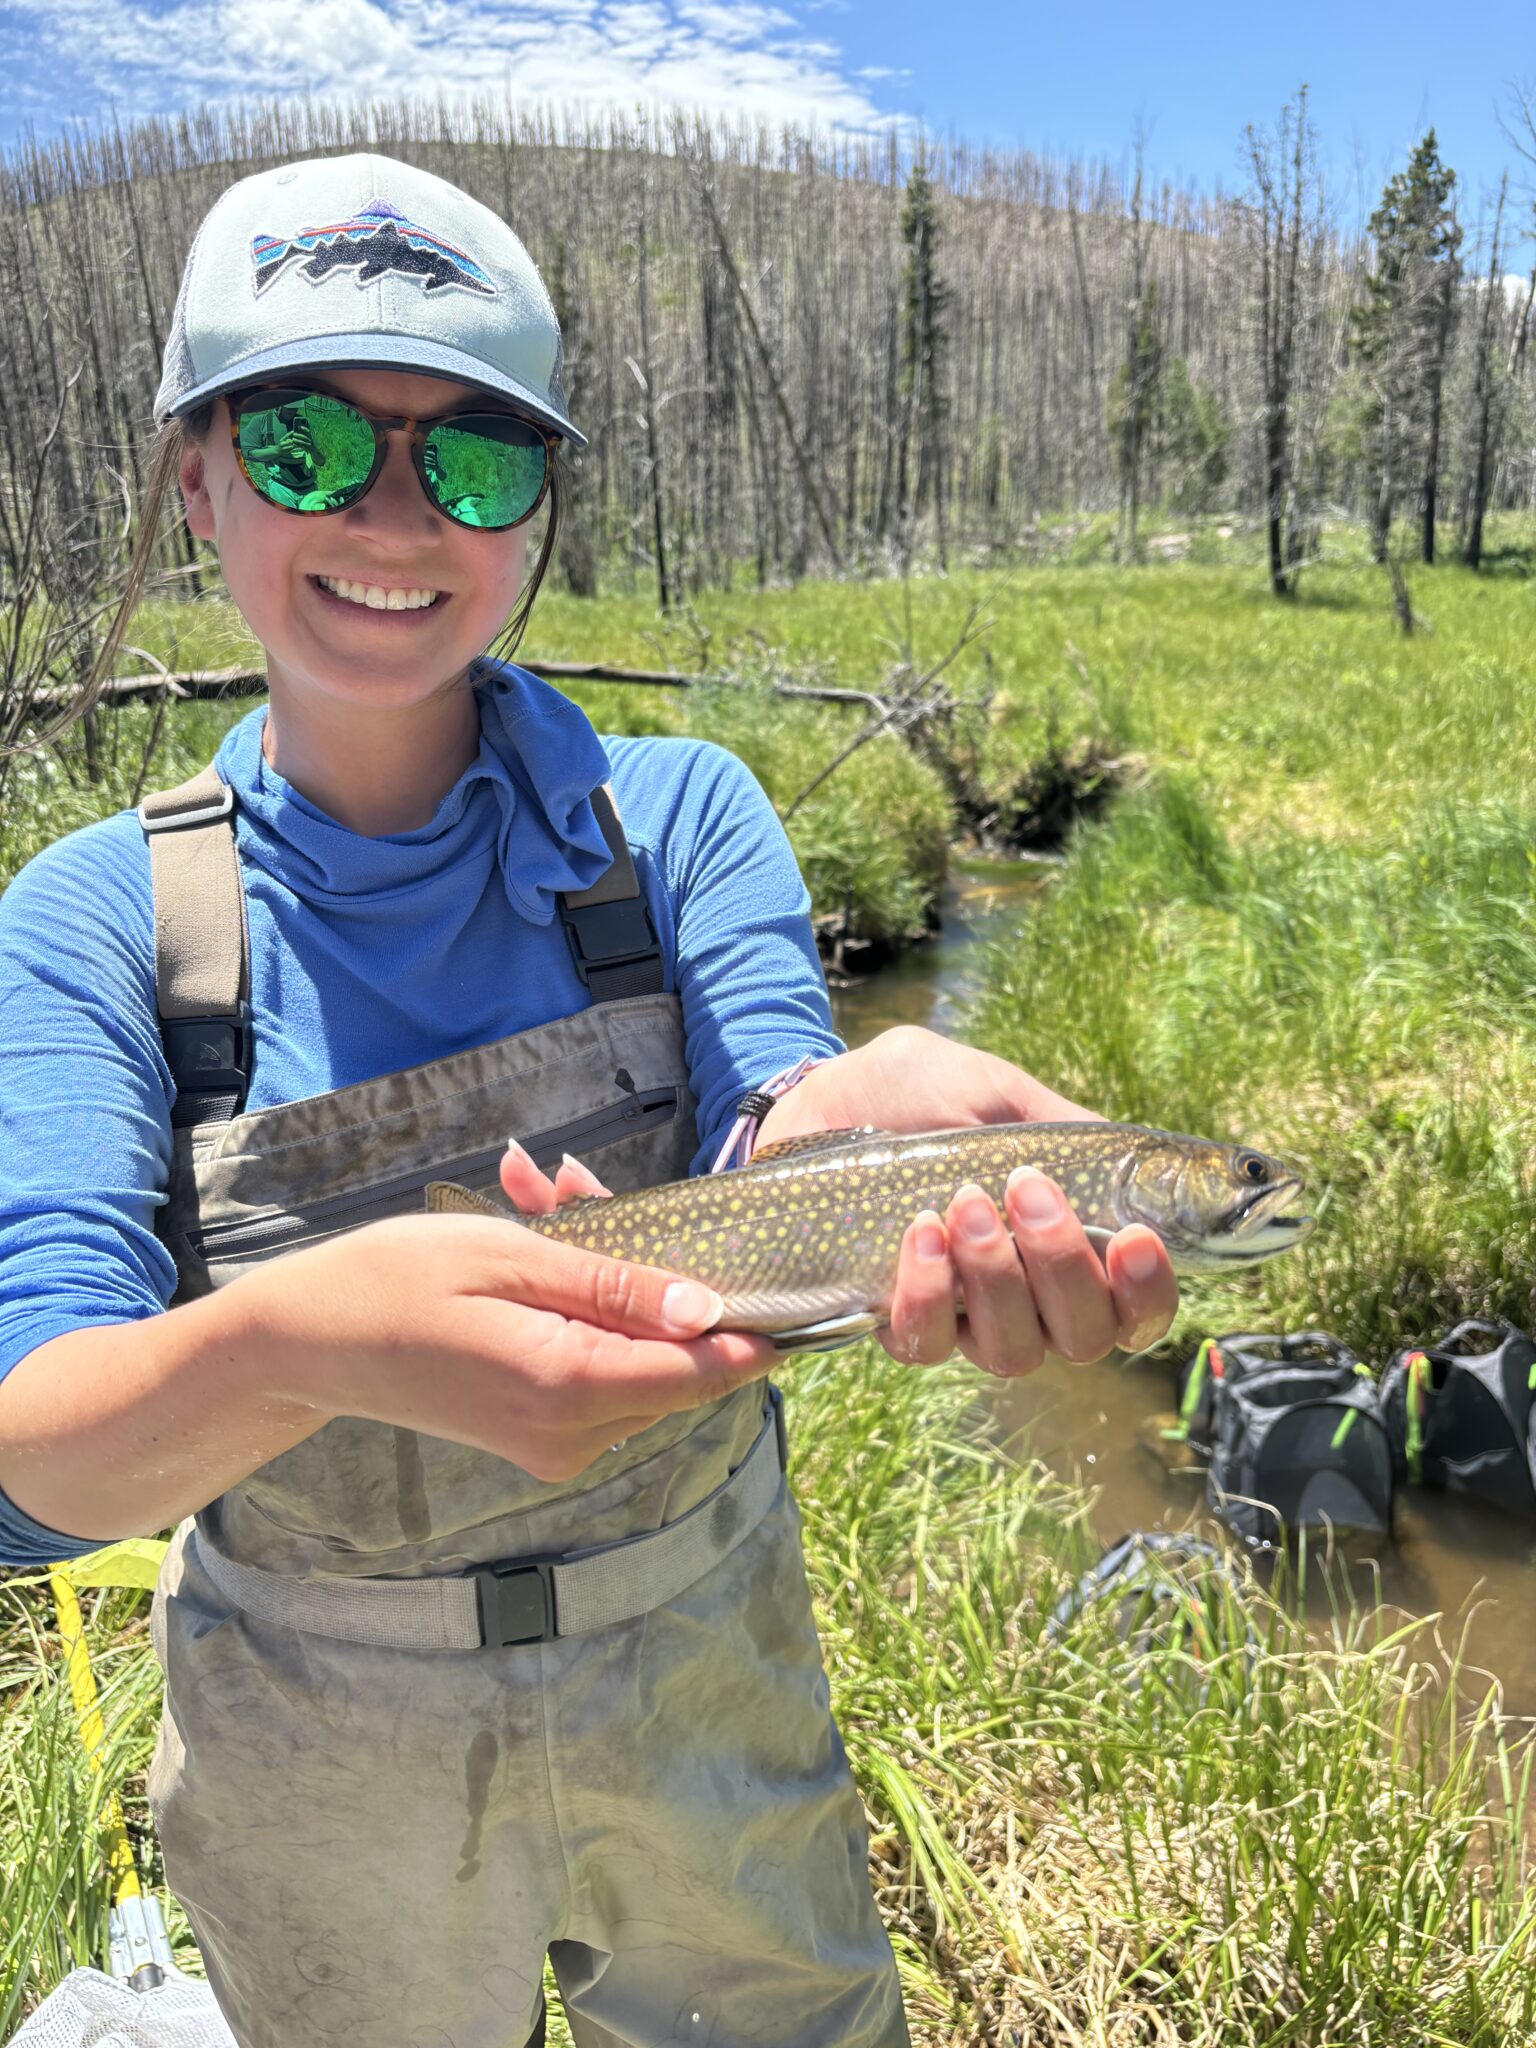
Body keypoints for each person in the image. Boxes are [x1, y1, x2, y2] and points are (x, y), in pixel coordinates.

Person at [0, 154, 1178, 2048]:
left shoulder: (680, 816)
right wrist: (302, 1342)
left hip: (707, 1664)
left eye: (473, 459)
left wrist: (852, 1141)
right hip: (314, 1743)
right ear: (194, 470)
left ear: (537, 505)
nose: (396, 510)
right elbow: (37, 1471)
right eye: (309, 443)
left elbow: (773, 1125)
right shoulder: (92, 928)